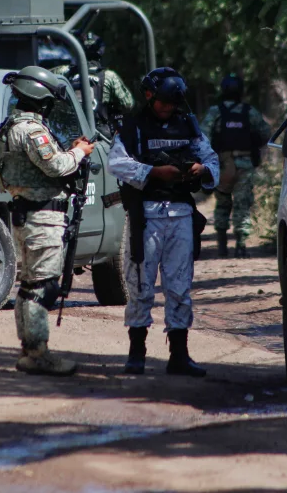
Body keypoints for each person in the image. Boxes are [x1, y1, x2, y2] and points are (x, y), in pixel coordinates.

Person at [109, 67, 219, 377]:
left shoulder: (188, 124)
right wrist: (154, 173)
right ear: (149, 96)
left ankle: (179, 356)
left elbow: (211, 159)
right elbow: (116, 163)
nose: (168, 108)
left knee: (179, 287)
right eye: (163, 102)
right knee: (141, 285)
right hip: (146, 216)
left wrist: (201, 170)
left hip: (181, 215)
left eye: (173, 103)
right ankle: (137, 353)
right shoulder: (134, 127)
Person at [0, 65, 96, 376]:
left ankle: (29, 350)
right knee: (43, 287)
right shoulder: (31, 130)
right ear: (40, 97)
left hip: (26, 214)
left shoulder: (7, 129)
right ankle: (38, 354)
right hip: (42, 217)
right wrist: (78, 152)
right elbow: (56, 166)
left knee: (29, 286)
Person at [201, 73, 272, 258]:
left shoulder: (215, 112)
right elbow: (265, 133)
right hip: (245, 165)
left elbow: (203, 136)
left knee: (222, 203)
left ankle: (222, 245)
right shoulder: (250, 112)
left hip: (223, 164)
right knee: (242, 204)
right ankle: (241, 245)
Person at [50, 31, 134, 139]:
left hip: (70, 135)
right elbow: (128, 104)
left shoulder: (65, 71)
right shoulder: (109, 76)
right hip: (100, 136)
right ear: (101, 52)